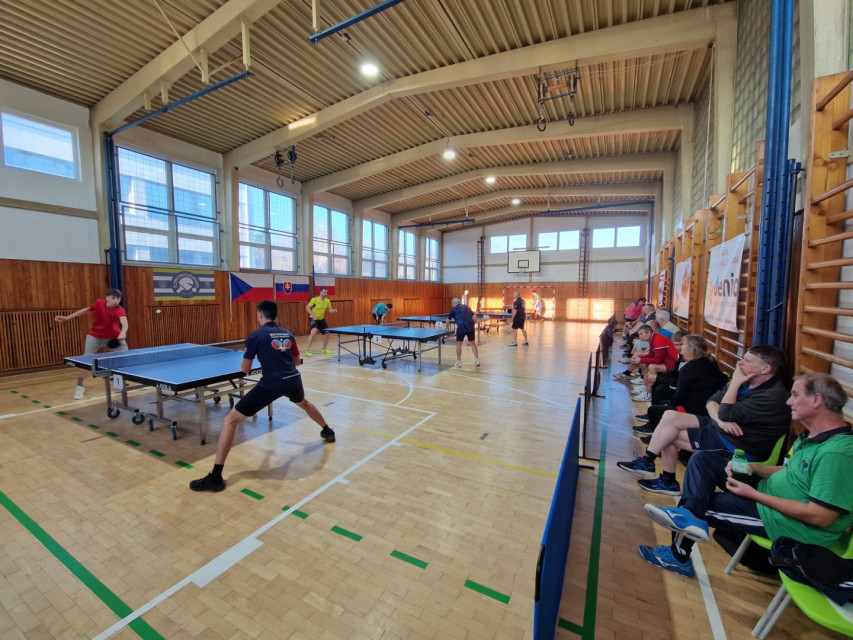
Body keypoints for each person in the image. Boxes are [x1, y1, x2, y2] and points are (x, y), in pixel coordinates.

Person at [637, 372, 853, 578]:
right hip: (770, 494)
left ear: (816, 400)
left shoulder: (836, 454)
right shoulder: (814, 436)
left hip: (788, 523)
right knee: (705, 460)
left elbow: (820, 517)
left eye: (795, 395)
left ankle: (678, 557)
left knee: (700, 506)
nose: (789, 402)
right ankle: (687, 517)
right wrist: (754, 468)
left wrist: (754, 495)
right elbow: (791, 472)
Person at [190, 300, 335, 493]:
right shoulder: (287, 334)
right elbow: (296, 362)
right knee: (304, 403)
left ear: (260, 315)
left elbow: (245, 369)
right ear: (275, 315)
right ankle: (327, 430)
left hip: (271, 384)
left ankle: (215, 477)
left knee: (230, 421)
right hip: (293, 380)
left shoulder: (255, 336)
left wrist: (256, 355)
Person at [617, 345, 791, 496]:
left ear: (765, 369)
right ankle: (649, 463)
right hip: (721, 428)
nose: (740, 363)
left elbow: (725, 413)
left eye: (747, 360)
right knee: (670, 416)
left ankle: (665, 479)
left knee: (668, 435)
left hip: (737, 445)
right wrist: (720, 421)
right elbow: (712, 401)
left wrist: (734, 385)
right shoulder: (748, 382)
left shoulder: (771, 396)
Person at [633, 335, 727, 441]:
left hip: (697, 410)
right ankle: (655, 427)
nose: (681, 350)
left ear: (691, 350)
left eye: (682, 345)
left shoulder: (690, 368)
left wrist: (669, 404)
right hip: (706, 405)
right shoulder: (710, 362)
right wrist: (659, 379)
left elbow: (680, 396)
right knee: (661, 401)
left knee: (655, 409)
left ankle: (655, 435)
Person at [55, 288, 129, 399]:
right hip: (95, 337)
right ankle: (80, 386)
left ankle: (119, 382)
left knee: (126, 357)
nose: (116, 301)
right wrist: (67, 317)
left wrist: (123, 332)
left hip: (114, 337)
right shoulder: (99, 303)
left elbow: (124, 323)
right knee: (86, 362)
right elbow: (87, 309)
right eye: (113, 298)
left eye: (118, 298)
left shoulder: (119, 310)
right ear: (107, 297)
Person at [613, 324, 677, 401]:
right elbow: (651, 355)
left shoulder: (658, 340)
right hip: (666, 361)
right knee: (642, 359)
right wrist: (640, 358)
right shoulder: (653, 338)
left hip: (673, 364)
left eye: (641, 334)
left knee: (652, 366)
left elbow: (657, 360)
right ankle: (643, 386)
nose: (639, 337)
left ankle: (648, 394)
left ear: (649, 333)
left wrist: (640, 360)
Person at [448, 297, 480, 367]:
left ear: (453, 303)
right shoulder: (466, 307)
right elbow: (475, 316)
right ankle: (477, 360)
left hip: (461, 327)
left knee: (459, 345)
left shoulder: (454, 309)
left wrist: (447, 327)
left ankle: (459, 362)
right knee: (472, 343)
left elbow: (448, 320)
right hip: (470, 327)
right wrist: (472, 323)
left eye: (452, 304)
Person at [304, 287, 336, 355]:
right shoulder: (314, 299)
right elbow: (307, 308)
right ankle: (308, 350)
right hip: (313, 318)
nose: (326, 294)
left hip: (321, 319)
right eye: (324, 292)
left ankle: (324, 349)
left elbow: (330, 310)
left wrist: (333, 311)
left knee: (327, 333)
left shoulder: (327, 301)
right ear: (320, 292)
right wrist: (313, 315)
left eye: (326, 292)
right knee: (314, 332)